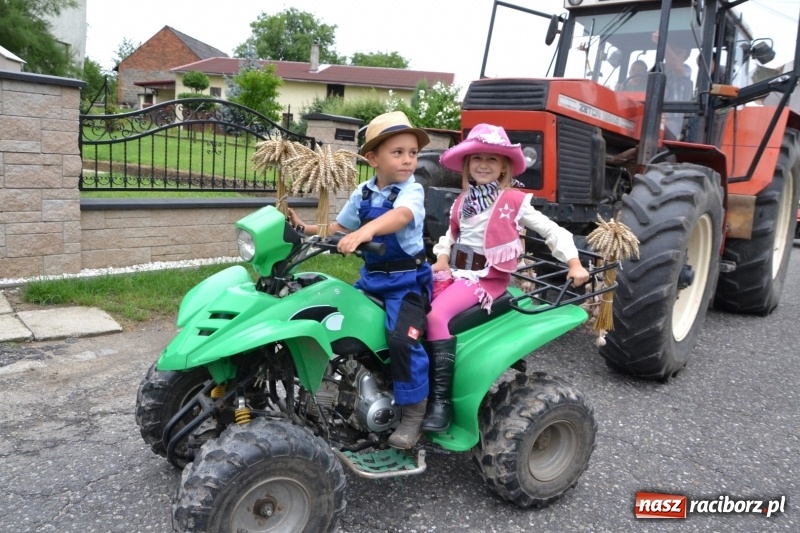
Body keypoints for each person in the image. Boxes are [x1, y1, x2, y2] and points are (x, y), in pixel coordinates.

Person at [420, 124, 591, 432]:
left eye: (492, 159)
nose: (483, 165)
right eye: (477, 159)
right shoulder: (463, 202)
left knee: (435, 316)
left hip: (486, 280)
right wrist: (442, 258)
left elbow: (552, 231)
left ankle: (441, 403)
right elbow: (450, 235)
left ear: (503, 167)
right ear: (468, 164)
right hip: (457, 271)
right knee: (408, 303)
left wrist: (574, 262)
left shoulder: (512, 201)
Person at [288, 111, 433, 450]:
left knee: (402, 340)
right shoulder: (364, 193)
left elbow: (401, 217)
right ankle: (333, 391)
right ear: (373, 158)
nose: (408, 160)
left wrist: (366, 231)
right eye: (398, 152)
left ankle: (413, 414)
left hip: (406, 283)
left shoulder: (412, 192)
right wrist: (305, 230)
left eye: (412, 153)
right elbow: (340, 228)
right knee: (333, 321)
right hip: (372, 280)